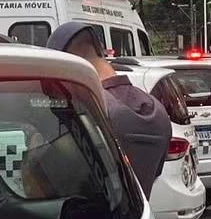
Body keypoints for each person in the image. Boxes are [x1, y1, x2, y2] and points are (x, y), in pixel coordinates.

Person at [46, 22, 171, 199]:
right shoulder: (157, 111)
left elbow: (42, 179)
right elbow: (155, 172)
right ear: (101, 50)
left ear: (66, 63)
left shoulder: (90, 111)